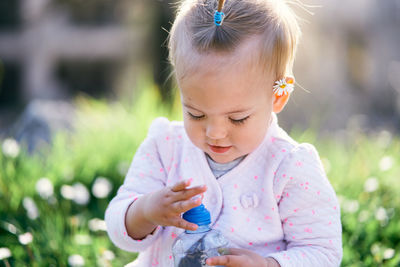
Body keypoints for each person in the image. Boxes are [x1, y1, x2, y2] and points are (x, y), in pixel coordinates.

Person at [105, 0, 343, 266]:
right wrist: (145, 211)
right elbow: (117, 229)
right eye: (196, 114)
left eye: (237, 118)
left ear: (279, 96)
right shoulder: (166, 147)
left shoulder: (289, 168)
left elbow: (323, 253)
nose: (215, 133)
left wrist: (268, 264)